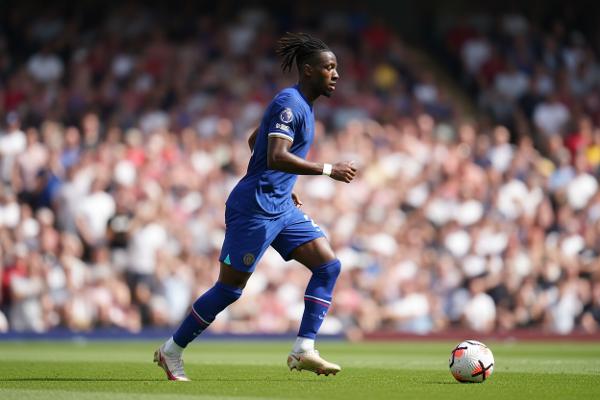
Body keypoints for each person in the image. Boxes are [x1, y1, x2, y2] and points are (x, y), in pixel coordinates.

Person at [154, 32, 357, 381]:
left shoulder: (303, 106)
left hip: (280, 205)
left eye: (336, 67)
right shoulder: (290, 104)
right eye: (329, 68)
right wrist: (327, 170)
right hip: (255, 208)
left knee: (328, 266)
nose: (335, 74)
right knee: (229, 290)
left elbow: (255, 139)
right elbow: (275, 154)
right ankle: (171, 351)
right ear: (308, 70)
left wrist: (282, 184)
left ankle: (303, 349)